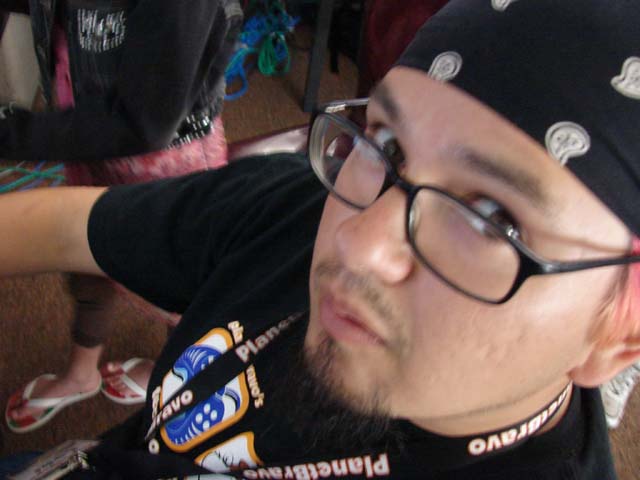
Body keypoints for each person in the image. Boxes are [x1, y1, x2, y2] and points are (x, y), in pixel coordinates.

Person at [1, 0, 639, 477]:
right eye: (387, 143)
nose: (359, 244)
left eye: (494, 219)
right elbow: (70, 227)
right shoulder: (302, 205)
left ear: (619, 337)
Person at [0, 0, 242, 432]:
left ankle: (171, 372)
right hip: (82, 133)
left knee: (179, 282)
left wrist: (12, 135)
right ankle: (81, 372)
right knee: (85, 249)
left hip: (166, 156)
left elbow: (145, 124)